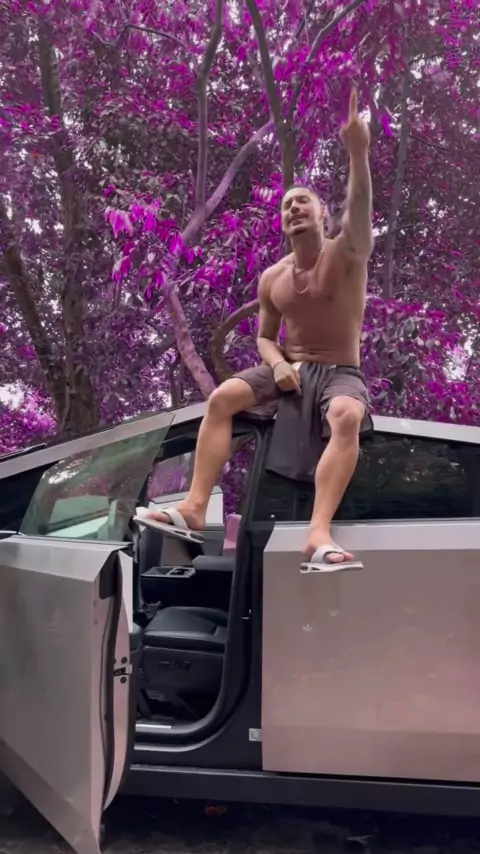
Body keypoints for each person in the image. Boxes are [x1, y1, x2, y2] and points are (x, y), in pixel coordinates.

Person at [135, 88, 374, 571]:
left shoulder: (347, 255)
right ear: (281, 221)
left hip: (339, 371)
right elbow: (265, 336)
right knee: (222, 398)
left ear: (323, 213)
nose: (294, 208)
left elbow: (361, 208)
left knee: (347, 415)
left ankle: (317, 532)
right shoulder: (273, 278)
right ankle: (194, 508)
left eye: (303, 201)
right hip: (290, 368)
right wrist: (279, 364)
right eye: (286, 205)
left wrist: (357, 152)